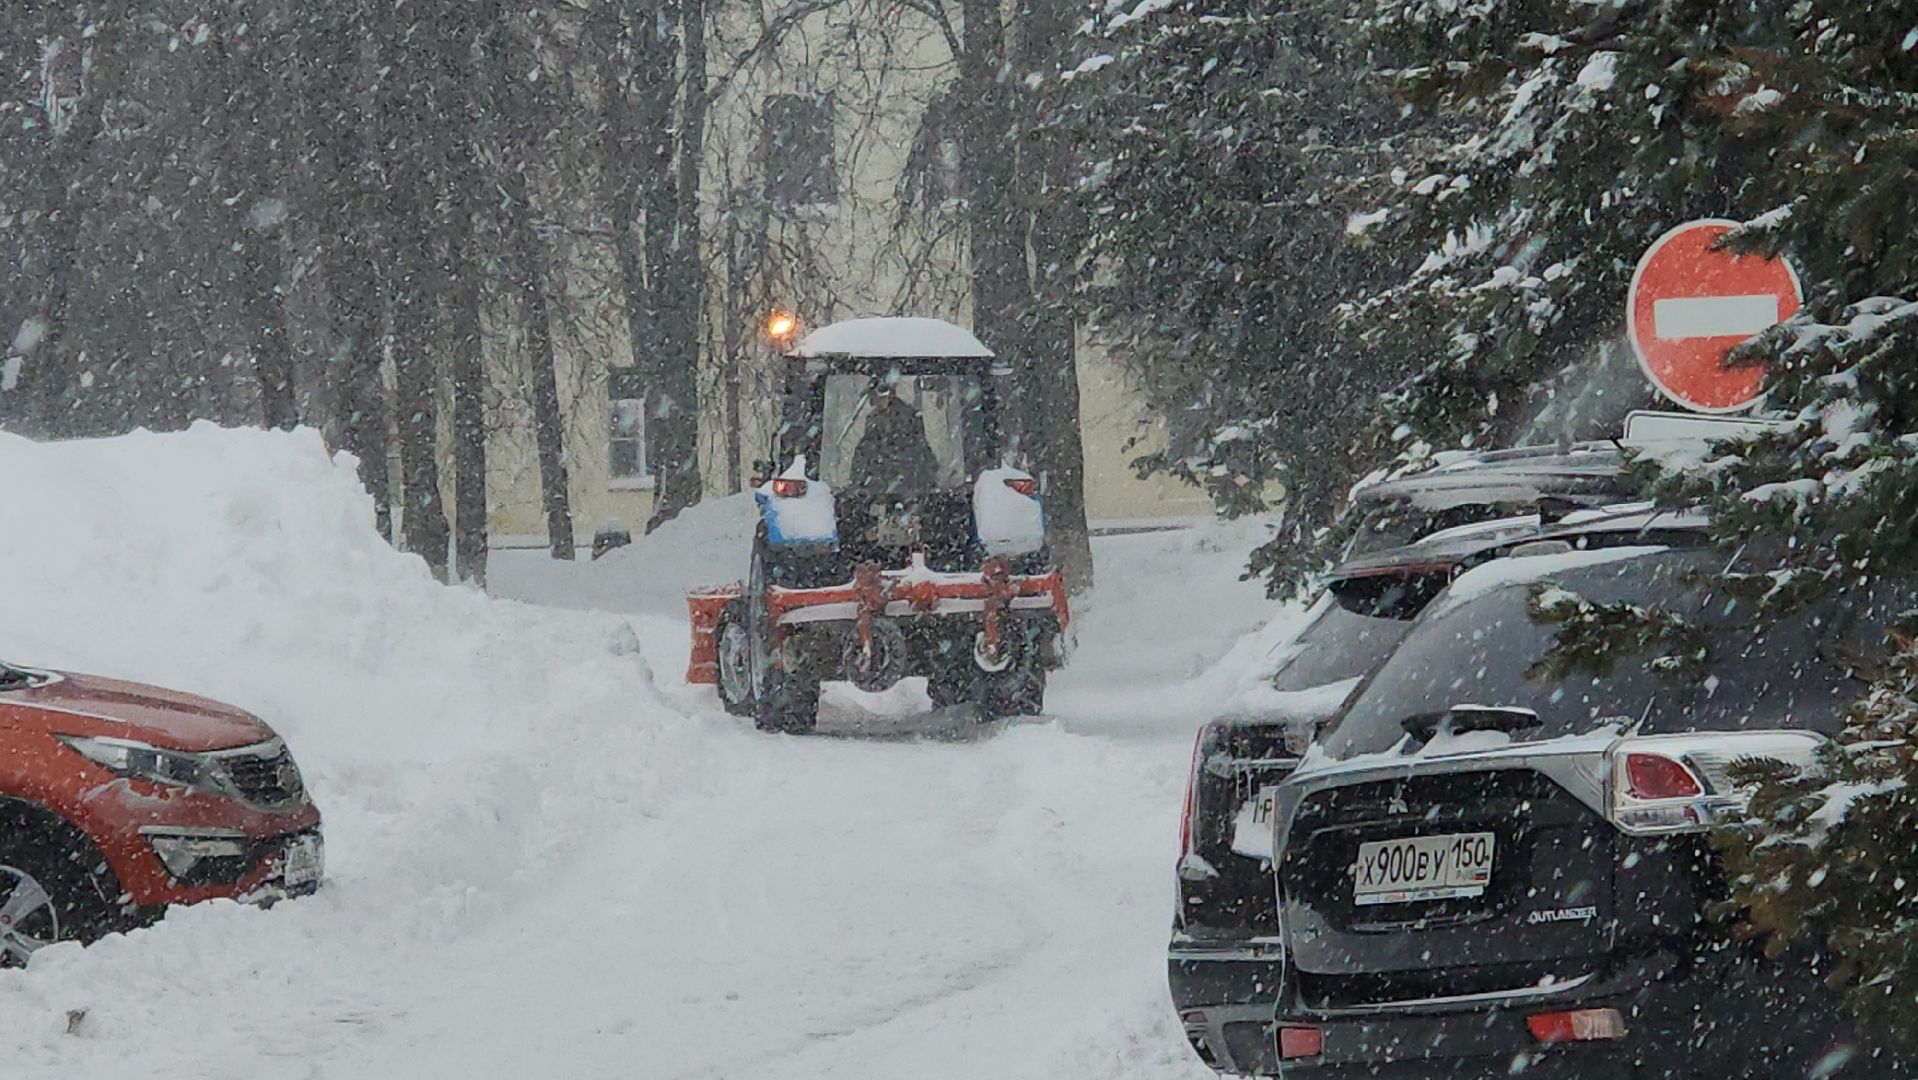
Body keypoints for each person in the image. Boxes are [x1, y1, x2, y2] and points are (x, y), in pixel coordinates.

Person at [849, 378, 941, 495]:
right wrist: (857, 483)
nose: (873, 402)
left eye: (875, 396)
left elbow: (915, 449)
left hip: (904, 486)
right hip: (885, 487)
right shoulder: (875, 418)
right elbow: (864, 450)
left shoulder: (905, 417)